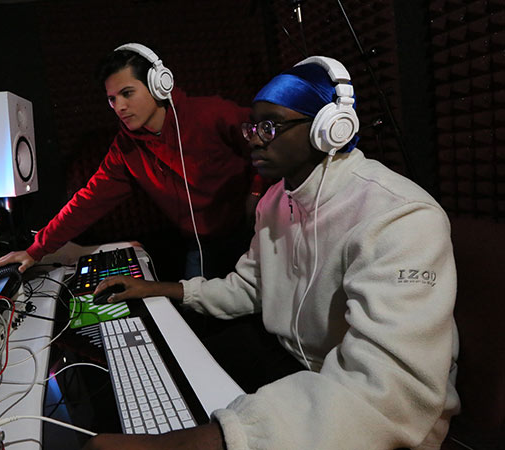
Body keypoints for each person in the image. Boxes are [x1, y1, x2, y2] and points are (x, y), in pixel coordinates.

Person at [87, 56, 460, 450]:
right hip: (292, 363)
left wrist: (201, 442)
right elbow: (248, 287)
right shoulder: (275, 200)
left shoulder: (398, 216)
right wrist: (161, 289)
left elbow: (390, 392)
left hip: (371, 408)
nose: (252, 137)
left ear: (328, 130)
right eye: (252, 125)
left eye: (270, 126)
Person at [0, 43, 258, 279]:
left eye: (127, 93)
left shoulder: (211, 113)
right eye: (112, 99)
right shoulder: (125, 149)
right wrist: (35, 250)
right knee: (200, 313)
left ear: (159, 84)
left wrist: (257, 194)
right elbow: (87, 202)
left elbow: (271, 139)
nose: (119, 106)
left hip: (253, 229)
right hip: (200, 244)